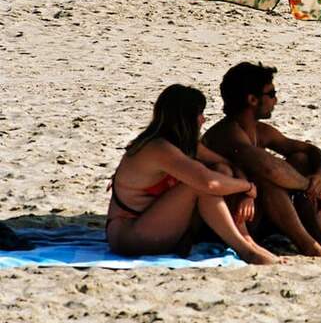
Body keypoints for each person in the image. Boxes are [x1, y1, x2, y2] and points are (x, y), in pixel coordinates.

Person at [105, 84, 279, 265]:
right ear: (185, 118)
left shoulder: (183, 144)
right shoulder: (158, 148)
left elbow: (227, 165)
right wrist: (249, 187)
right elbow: (210, 183)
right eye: (199, 114)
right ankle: (245, 250)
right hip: (128, 235)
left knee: (221, 171)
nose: (203, 120)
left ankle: (247, 240)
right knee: (199, 186)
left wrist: (246, 195)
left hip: (156, 224)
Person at [202, 62, 321, 257]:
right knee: (265, 179)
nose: (276, 101)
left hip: (256, 215)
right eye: (272, 94)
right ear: (252, 99)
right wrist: (308, 186)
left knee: (301, 160)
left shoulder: (260, 131)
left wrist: (319, 175)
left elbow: (310, 151)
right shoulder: (228, 134)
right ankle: (308, 245)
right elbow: (268, 168)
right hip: (231, 223)